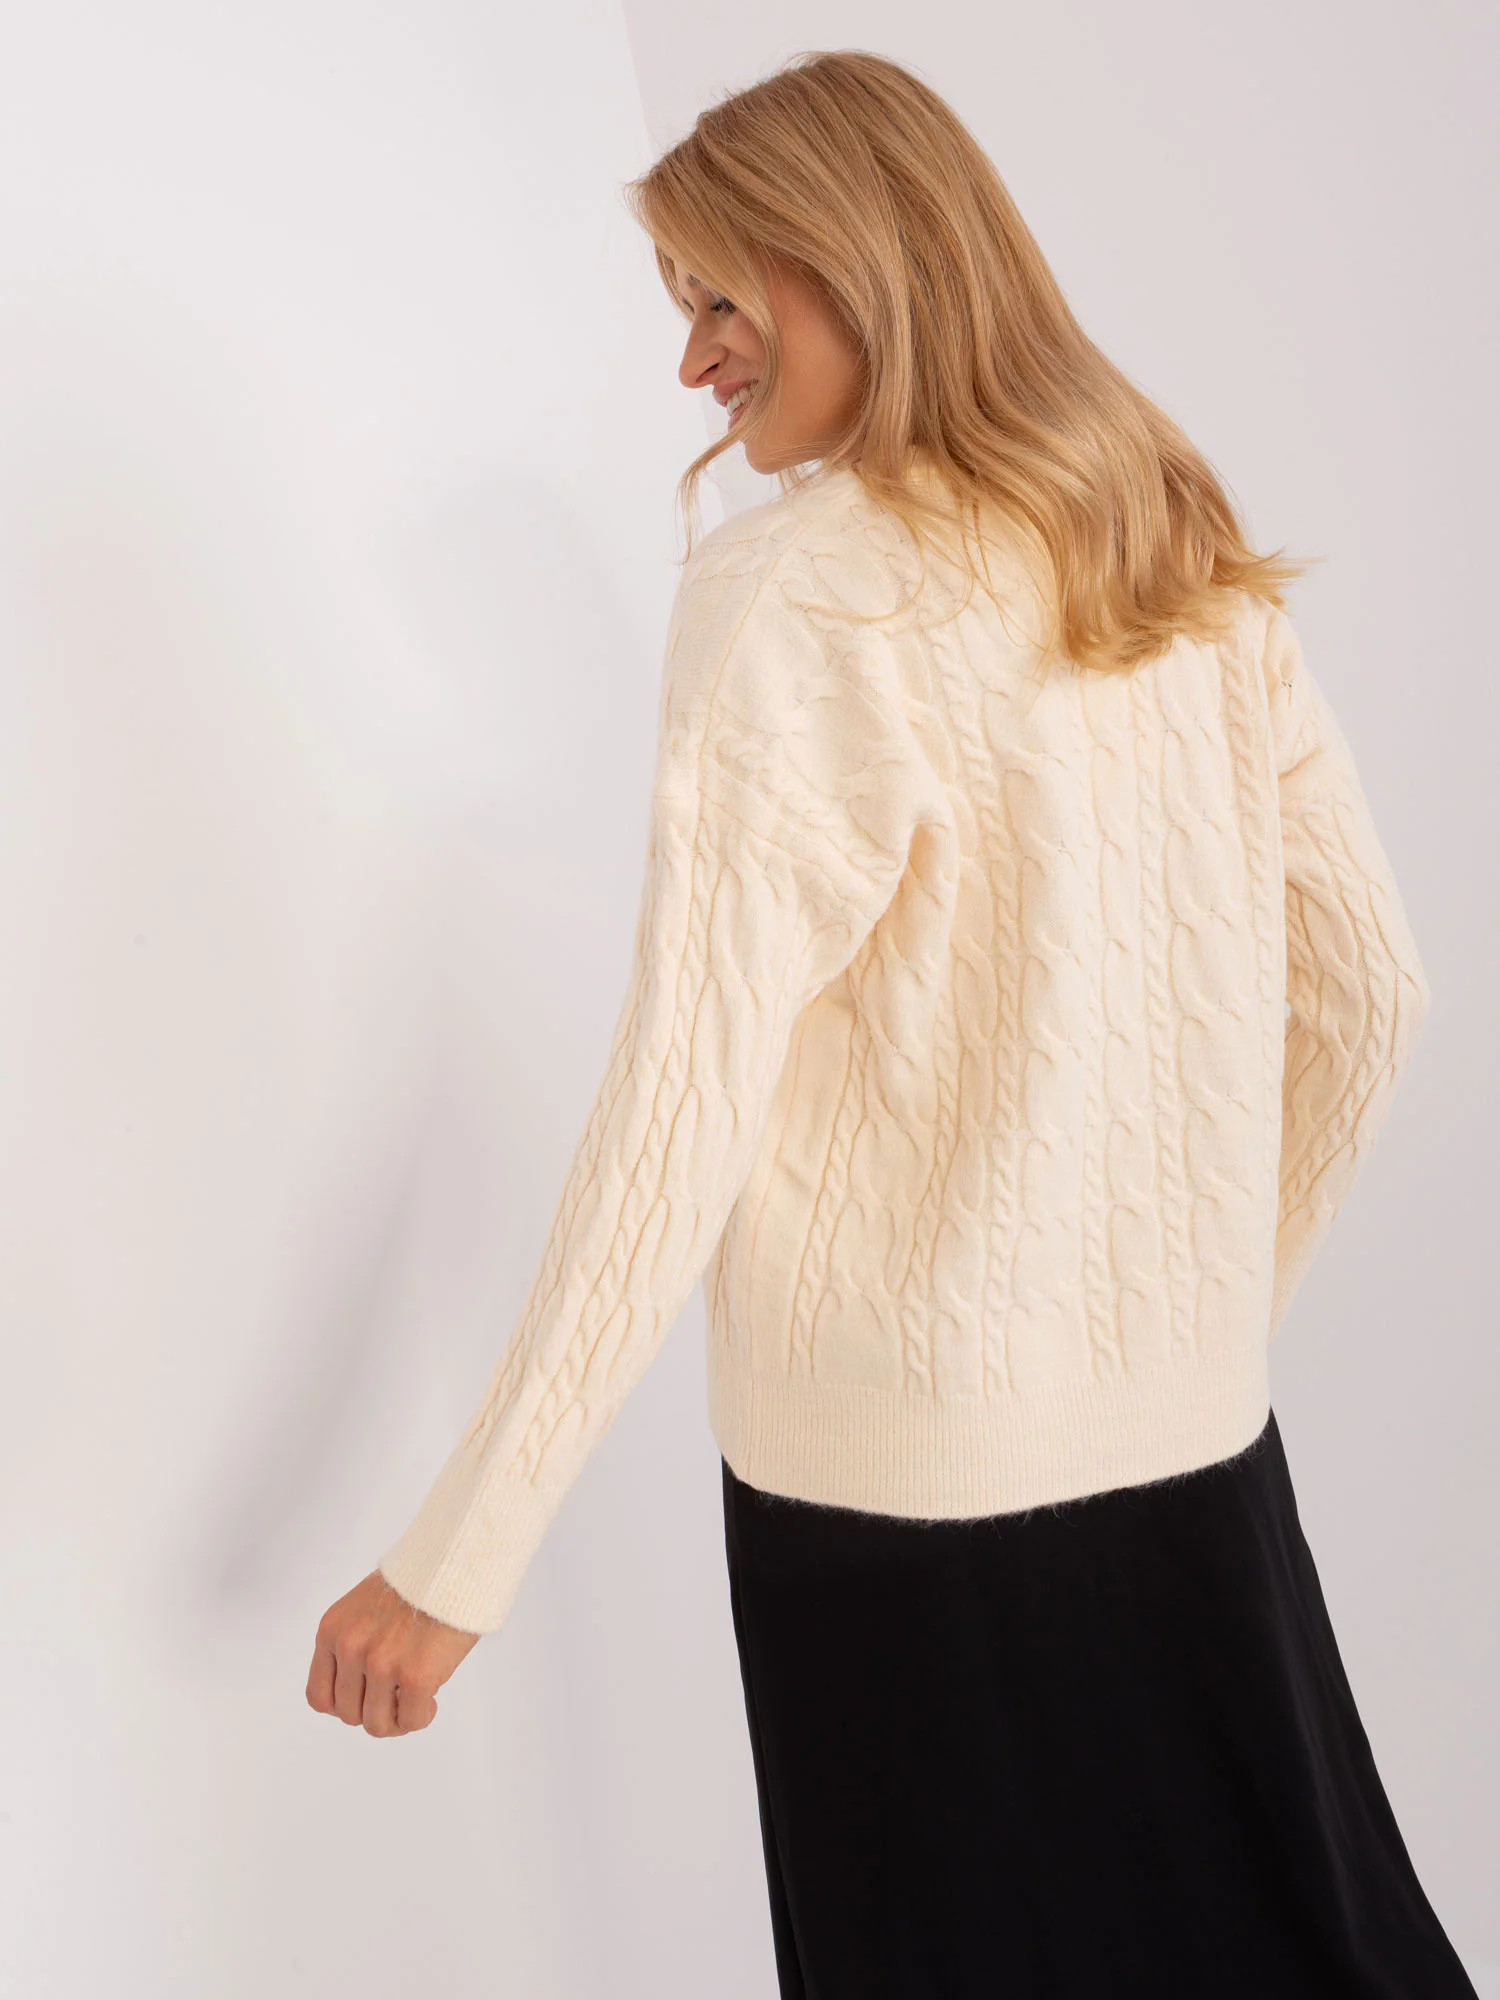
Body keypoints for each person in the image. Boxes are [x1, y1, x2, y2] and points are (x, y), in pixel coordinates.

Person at [306, 49, 1477, 1999]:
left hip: (901, 1517)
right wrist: (1179, 1329)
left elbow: (680, 1113)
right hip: (1201, 1465)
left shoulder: (795, 598)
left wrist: (457, 1561)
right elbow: (1375, 994)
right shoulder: (1171, 540)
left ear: (855, 257)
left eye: (718, 296)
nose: (691, 360)